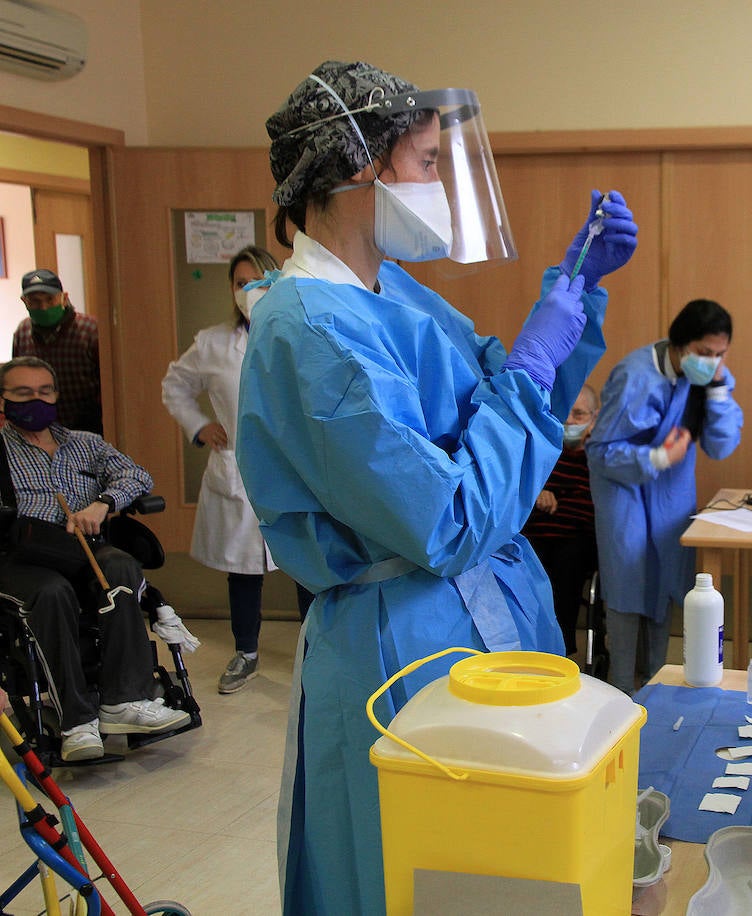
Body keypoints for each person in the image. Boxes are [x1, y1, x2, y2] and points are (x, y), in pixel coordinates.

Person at [235, 61, 637, 915]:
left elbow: (512, 424)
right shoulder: (311, 330)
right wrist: (531, 363)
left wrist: (573, 303)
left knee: (503, 864)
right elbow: (450, 516)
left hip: (482, 608)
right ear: (354, 168)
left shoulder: (393, 294)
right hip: (403, 637)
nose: (439, 186)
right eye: (424, 163)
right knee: (416, 872)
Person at [0, 357, 190, 762]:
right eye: (22, 393)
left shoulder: (84, 442)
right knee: (52, 593)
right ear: (4, 399)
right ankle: (76, 721)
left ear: (56, 394)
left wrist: (103, 504)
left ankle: (124, 701)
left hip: (84, 546)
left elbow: (136, 476)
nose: (36, 399)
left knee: (120, 565)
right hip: (23, 556)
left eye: (44, 391)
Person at [161, 245, 313, 696]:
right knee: (244, 569)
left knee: (307, 564)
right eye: (239, 282)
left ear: (276, 281)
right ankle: (245, 651)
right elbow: (175, 386)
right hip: (239, 469)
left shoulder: (299, 333)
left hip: (293, 468)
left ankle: (316, 653)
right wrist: (200, 425)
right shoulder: (212, 343)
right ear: (231, 289)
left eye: (258, 280)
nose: (248, 289)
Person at [586, 299, 743, 694]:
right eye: (704, 353)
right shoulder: (635, 375)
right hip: (623, 491)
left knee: (666, 584)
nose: (711, 361)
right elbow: (600, 451)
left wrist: (720, 391)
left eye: (720, 354)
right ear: (679, 344)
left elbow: (722, 446)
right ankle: (619, 689)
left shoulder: (709, 376)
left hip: (671, 493)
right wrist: (656, 456)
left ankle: (655, 686)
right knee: (626, 586)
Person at [521, 384, 599, 656]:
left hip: (578, 540)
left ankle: (560, 651)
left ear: (594, 417)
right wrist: (537, 493)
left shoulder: (601, 457)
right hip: (536, 535)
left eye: (579, 415)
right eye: (566, 413)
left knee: (567, 569)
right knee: (525, 566)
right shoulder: (543, 450)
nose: (570, 421)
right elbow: (520, 490)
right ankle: (529, 648)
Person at [13, 269, 102, 434]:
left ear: (64, 297)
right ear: (25, 302)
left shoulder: (90, 329)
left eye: (49, 299)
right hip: (40, 431)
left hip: (88, 430)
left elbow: (108, 385)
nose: (44, 307)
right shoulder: (22, 332)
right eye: (35, 301)